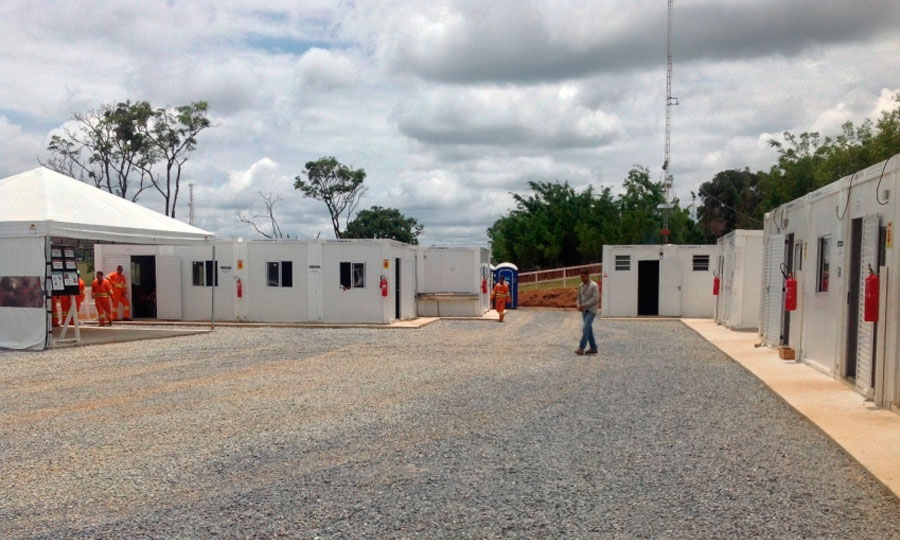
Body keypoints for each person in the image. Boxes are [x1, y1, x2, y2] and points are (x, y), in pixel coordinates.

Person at [575, 269, 599, 355]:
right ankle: (593, 347)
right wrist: (578, 305)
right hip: (584, 311)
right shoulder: (581, 285)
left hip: (591, 310)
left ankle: (581, 347)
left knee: (585, 328)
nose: (581, 278)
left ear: (588, 275)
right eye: (580, 277)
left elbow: (595, 299)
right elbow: (578, 297)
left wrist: (584, 305)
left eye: (583, 277)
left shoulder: (594, 286)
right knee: (588, 329)